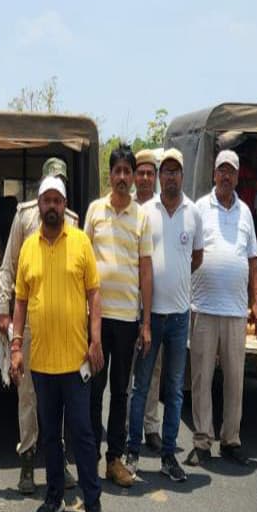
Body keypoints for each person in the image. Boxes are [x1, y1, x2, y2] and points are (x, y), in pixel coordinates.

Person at [10, 176, 107, 512]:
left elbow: (94, 294)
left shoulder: (81, 242)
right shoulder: (28, 249)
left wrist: (95, 341)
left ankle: (93, 505)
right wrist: (17, 346)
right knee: (50, 436)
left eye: (57, 200)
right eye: (46, 200)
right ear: (39, 205)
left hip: (76, 362)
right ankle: (52, 498)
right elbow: (20, 300)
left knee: (81, 434)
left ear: (65, 205)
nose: (51, 206)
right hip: (43, 364)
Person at [0, 157, 80, 495]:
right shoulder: (25, 215)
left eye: (60, 183)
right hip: (30, 321)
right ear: (42, 185)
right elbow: (8, 267)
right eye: (50, 183)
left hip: (64, 326)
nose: (53, 195)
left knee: (60, 395)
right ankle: (28, 461)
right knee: (29, 395)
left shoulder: (74, 221)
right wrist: (4, 309)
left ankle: (57, 463)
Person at [126, 148, 203, 482]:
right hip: (151, 316)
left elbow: (196, 257)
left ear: (182, 175)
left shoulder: (193, 213)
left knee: (173, 389)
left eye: (176, 171)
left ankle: (169, 455)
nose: (170, 176)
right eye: (165, 171)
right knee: (141, 385)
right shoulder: (147, 212)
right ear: (159, 176)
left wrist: (177, 282)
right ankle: (131, 450)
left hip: (179, 316)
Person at [83, 146, 152, 488]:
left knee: (120, 392)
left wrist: (147, 322)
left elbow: (146, 272)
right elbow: (82, 264)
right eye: (118, 171)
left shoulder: (142, 217)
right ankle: (91, 455)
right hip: (97, 318)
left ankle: (114, 460)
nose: (123, 178)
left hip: (127, 320)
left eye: (128, 171)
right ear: (109, 175)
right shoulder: (95, 211)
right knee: (94, 388)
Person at [188, 149, 257, 467]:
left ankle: (231, 439)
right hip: (203, 306)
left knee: (235, 379)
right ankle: (203, 441)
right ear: (213, 174)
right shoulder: (199, 208)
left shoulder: (245, 212)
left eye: (231, 171)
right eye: (221, 170)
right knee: (201, 377)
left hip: (235, 309)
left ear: (237, 175)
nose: (226, 176)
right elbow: (188, 253)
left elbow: (253, 260)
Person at [133, 147, 164, 452]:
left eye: (148, 173)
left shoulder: (160, 210)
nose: (144, 178)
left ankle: (151, 427)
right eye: (139, 172)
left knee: (152, 367)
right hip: (127, 301)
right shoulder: (125, 207)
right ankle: (128, 426)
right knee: (126, 369)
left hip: (154, 302)